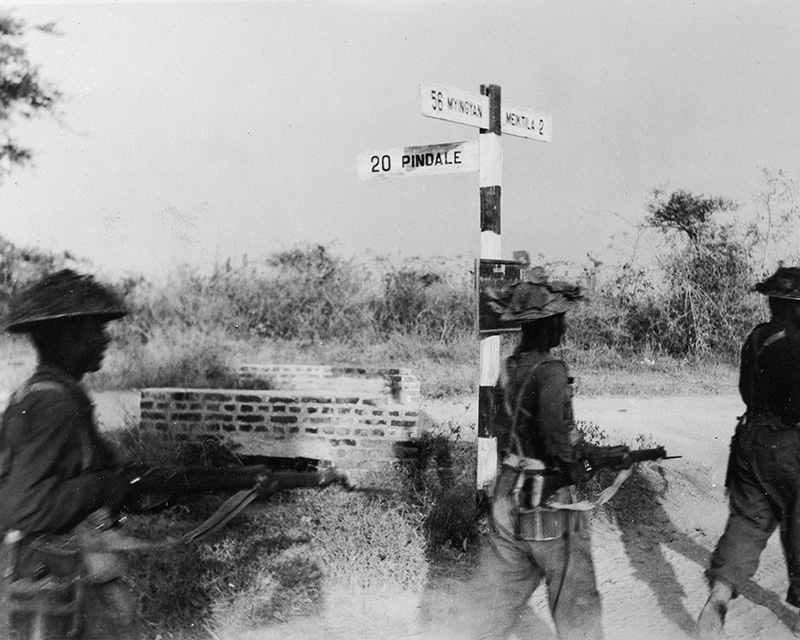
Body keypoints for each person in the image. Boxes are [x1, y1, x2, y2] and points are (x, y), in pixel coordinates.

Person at [0, 269, 140, 639]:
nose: (105, 338)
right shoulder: (54, 406)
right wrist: (104, 486)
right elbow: (26, 506)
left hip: (53, 571)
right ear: (68, 334)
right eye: (95, 328)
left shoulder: (43, 394)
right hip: (52, 578)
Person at [476, 267, 605, 640]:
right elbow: (556, 439)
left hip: (507, 495)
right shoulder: (550, 370)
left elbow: (504, 431)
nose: (563, 328)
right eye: (559, 320)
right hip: (545, 501)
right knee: (575, 595)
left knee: (497, 604)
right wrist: (580, 467)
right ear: (545, 325)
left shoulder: (509, 368)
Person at [698, 266, 800, 639]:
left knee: (748, 521)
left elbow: (746, 391)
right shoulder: (796, 343)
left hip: (748, 438)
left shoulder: (756, 338)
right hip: (787, 444)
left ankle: (719, 596)